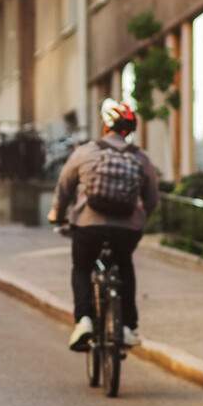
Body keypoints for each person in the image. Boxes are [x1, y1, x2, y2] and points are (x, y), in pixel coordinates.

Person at [49, 97, 162, 352]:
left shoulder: (86, 152)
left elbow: (65, 187)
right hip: (127, 228)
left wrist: (57, 214)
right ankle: (127, 327)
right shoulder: (140, 158)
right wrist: (142, 218)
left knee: (81, 267)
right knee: (124, 266)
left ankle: (84, 320)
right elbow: (152, 198)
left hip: (89, 225)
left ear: (105, 126)